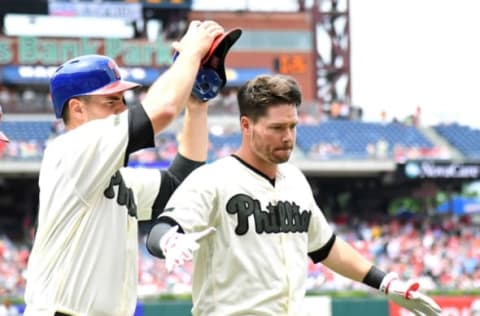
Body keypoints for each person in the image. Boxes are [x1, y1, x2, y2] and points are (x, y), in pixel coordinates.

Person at [146, 74, 443, 316]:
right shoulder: (214, 178)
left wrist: (386, 282)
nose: (287, 137)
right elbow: (161, 230)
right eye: (276, 128)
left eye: (292, 126)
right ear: (246, 125)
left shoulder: (296, 181)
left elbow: (325, 247)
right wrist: (170, 240)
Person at [23, 20, 224, 316]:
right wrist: (192, 53)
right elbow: (164, 108)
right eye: (111, 101)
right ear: (77, 108)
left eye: (122, 99)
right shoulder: (70, 151)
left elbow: (180, 184)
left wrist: (197, 106)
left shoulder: (114, 177)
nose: (121, 108)